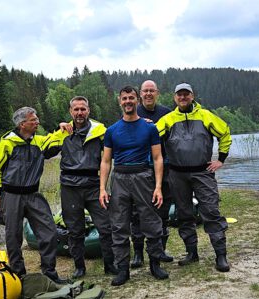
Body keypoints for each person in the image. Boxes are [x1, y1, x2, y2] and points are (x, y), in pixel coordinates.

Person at [157, 83, 232, 272]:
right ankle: (192, 253)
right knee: (184, 215)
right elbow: (149, 135)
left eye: (186, 94)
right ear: (175, 98)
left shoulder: (205, 116)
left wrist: (220, 159)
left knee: (211, 212)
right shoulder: (167, 120)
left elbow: (225, 133)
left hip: (202, 172)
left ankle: (221, 255)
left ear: (192, 96)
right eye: (179, 95)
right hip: (177, 174)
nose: (183, 97)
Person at [99, 85, 169, 286]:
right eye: (124, 98)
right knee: (119, 225)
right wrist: (103, 188)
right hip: (120, 177)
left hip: (143, 177)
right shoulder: (112, 130)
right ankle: (123, 270)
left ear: (137, 100)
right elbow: (105, 161)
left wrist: (158, 186)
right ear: (119, 101)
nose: (128, 101)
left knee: (151, 222)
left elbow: (157, 158)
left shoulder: (149, 128)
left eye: (131, 98)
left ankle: (155, 264)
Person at [0, 107, 67, 283]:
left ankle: (49, 274)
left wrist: (64, 126)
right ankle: (19, 276)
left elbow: (54, 139)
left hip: (33, 194)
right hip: (11, 195)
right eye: (33, 120)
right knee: (13, 237)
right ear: (22, 124)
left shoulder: (38, 141)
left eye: (37, 118)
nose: (37, 121)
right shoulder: (7, 143)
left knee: (49, 231)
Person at [49, 96, 117, 279]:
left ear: (89, 110)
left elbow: (115, 149)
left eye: (83, 109)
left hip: (94, 185)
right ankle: (79, 267)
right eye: (76, 109)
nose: (80, 113)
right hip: (70, 186)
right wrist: (58, 131)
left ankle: (110, 265)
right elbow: (46, 151)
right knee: (75, 230)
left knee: (105, 226)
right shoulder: (63, 132)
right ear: (71, 112)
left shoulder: (99, 130)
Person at [130, 80, 173, 268]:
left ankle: (160, 250)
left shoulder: (167, 113)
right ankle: (138, 254)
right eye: (145, 91)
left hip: (164, 168)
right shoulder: (133, 113)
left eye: (151, 91)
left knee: (162, 211)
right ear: (140, 94)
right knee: (137, 213)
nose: (148, 94)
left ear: (158, 93)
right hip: (139, 169)